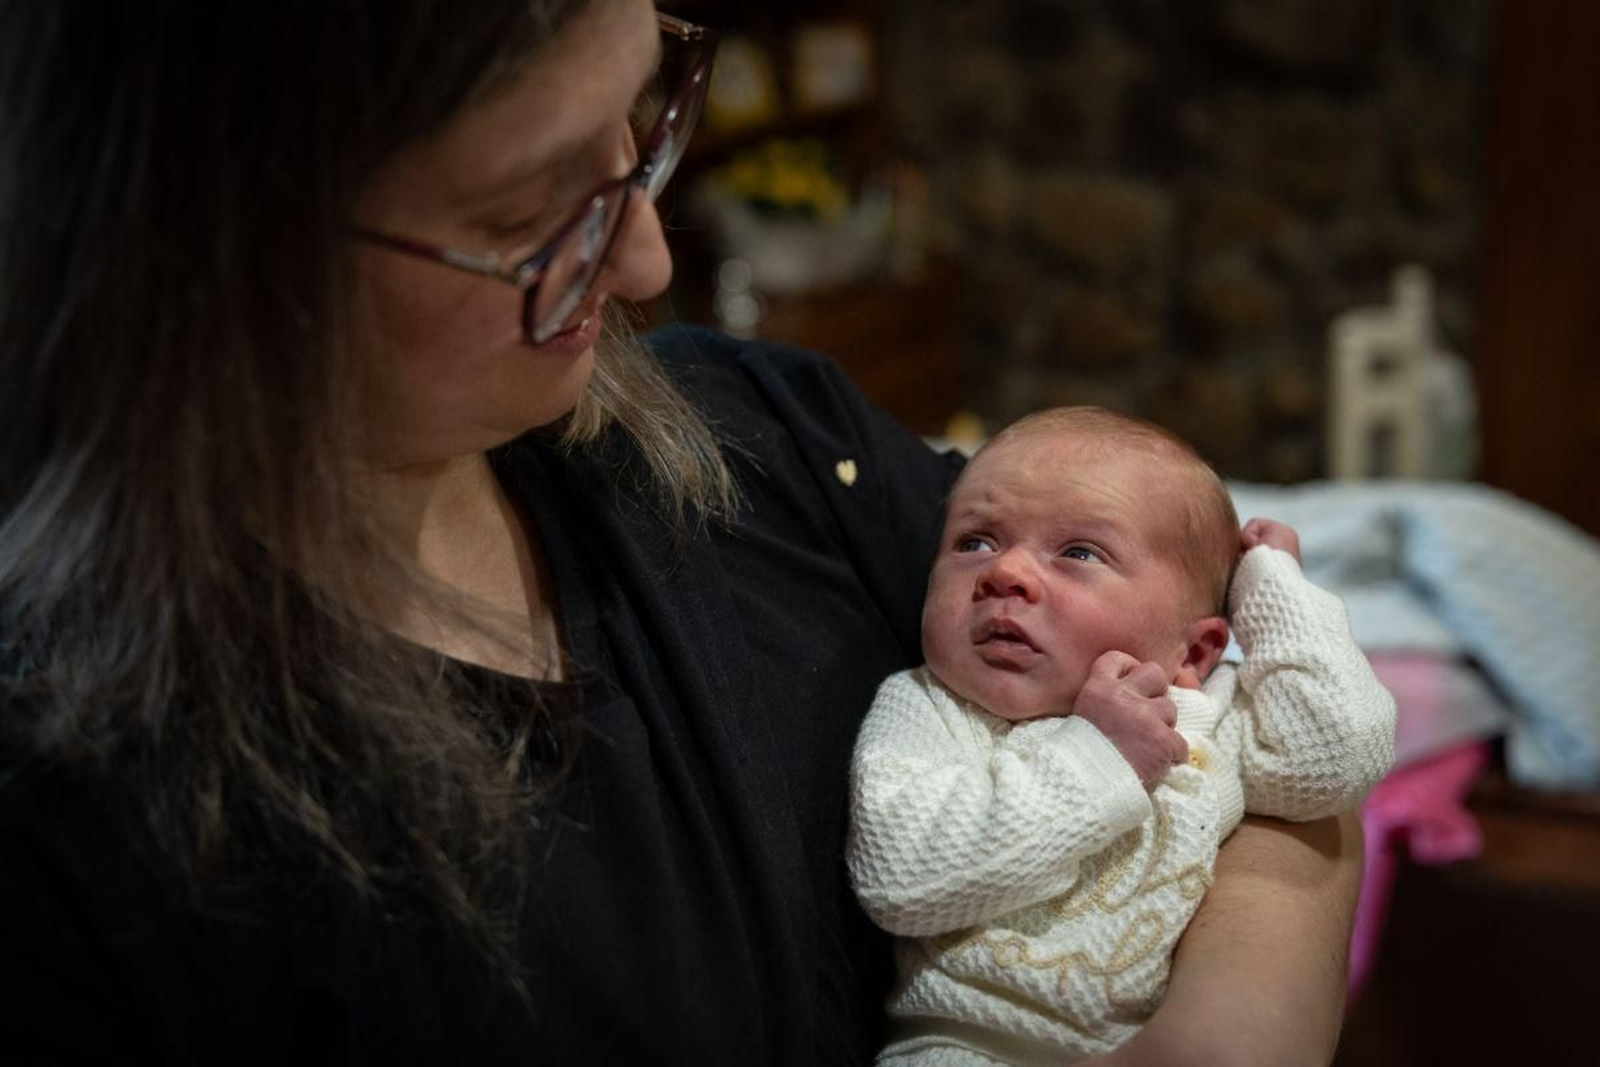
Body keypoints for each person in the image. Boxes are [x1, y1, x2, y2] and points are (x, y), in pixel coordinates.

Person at [0, 2, 1364, 1063]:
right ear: (213, 241)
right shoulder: (96, 827)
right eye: (532, 211)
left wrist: (1236, 1009)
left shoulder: (768, 438)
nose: (649, 258)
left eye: (642, 126)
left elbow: (1259, 705)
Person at [847, 409, 1396, 1064]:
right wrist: (1096, 755)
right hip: (961, 1046)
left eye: (1079, 552)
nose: (1006, 572)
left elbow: (1337, 759)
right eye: (975, 542)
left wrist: (1276, 590)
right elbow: (900, 878)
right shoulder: (928, 708)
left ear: (1195, 648)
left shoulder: (1206, 712)